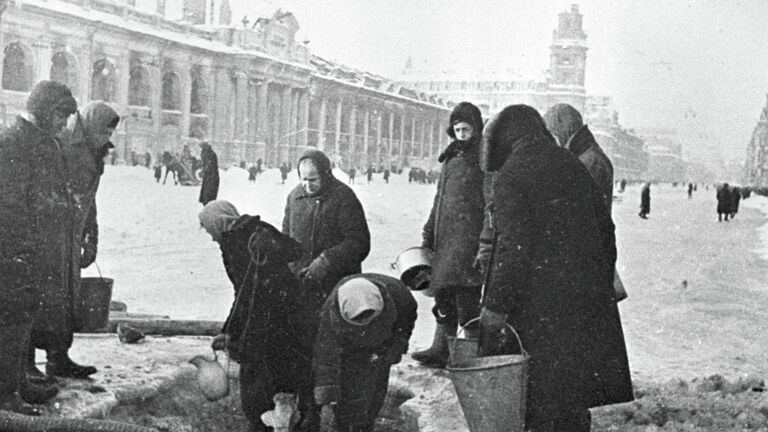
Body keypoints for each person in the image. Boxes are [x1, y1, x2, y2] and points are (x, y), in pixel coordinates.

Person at [478, 104, 633, 432]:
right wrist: (596, 282)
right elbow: (607, 231)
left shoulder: (513, 174)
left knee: (541, 400)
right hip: (580, 305)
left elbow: (512, 250)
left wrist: (495, 307)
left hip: (539, 311)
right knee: (572, 399)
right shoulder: (571, 164)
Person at [0, 81, 79, 415]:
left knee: (26, 314)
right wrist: (20, 249)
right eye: (62, 116)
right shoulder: (14, 142)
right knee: (11, 319)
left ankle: (18, 381)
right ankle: (5, 393)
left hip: (35, 249)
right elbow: (9, 203)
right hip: (14, 250)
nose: (65, 124)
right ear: (47, 110)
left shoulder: (41, 142)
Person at [199, 201, 312, 432]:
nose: (211, 237)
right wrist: (228, 330)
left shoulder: (258, 230)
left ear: (219, 221)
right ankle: (266, 423)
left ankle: (276, 424)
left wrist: (271, 245)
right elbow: (241, 290)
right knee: (260, 379)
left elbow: (295, 249)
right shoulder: (228, 245)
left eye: (209, 229)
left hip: (281, 315)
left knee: (271, 377)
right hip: (257, 317)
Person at [28, 101, 119, 386]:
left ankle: (59, 357)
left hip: (72, 235)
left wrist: (91, 234)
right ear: (91, 125)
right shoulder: (62, 147)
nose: (107, 138)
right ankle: (27, 361)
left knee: (67, 298)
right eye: (105, 131)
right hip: (50, 235)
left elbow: (89, 200)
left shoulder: (94, 152)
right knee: (41, 297)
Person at [282, 149, 371, 390]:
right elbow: (286, 238)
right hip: (302, 286)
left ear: (326, 174)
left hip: (334, 286)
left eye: (313, 179)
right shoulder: (294, 197)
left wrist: (327, 260)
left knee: (331, 348)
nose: (307, 184)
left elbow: (359, 242)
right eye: (303, 178)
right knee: (300, 344)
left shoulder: (343, 197)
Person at [411, 102, 486, 368]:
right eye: (457, 129)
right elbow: (439, 198)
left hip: (468, 241)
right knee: (443, 294)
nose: (462, 134)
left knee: (467, 299)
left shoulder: (483, 158)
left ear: (477, 129)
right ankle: (441, 347)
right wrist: (430, 229)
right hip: (445, 239)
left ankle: (474, 355)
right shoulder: (451, 156)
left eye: (467, 129)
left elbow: (489, 201)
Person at [312, 274, 417, 432]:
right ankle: (346, 424)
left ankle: (367, 422)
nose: (364, 324)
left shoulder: (400, 296)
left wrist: (397, 345)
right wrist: (327, 400)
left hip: (383, 342)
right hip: (350, 345)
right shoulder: (331, 313)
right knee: (349, 385)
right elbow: (326, 357)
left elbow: (406, 321)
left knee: (376, 384)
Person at [198, 141, 220, 206]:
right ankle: (206, 204)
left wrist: (204, 171)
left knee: (210, 193)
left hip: (212, 176)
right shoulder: (206, 152)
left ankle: (208, 205)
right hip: (208, 175)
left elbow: (209, 164)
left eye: (202, 147)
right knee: (206, 193)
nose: (201, 149)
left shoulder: (211, 154)